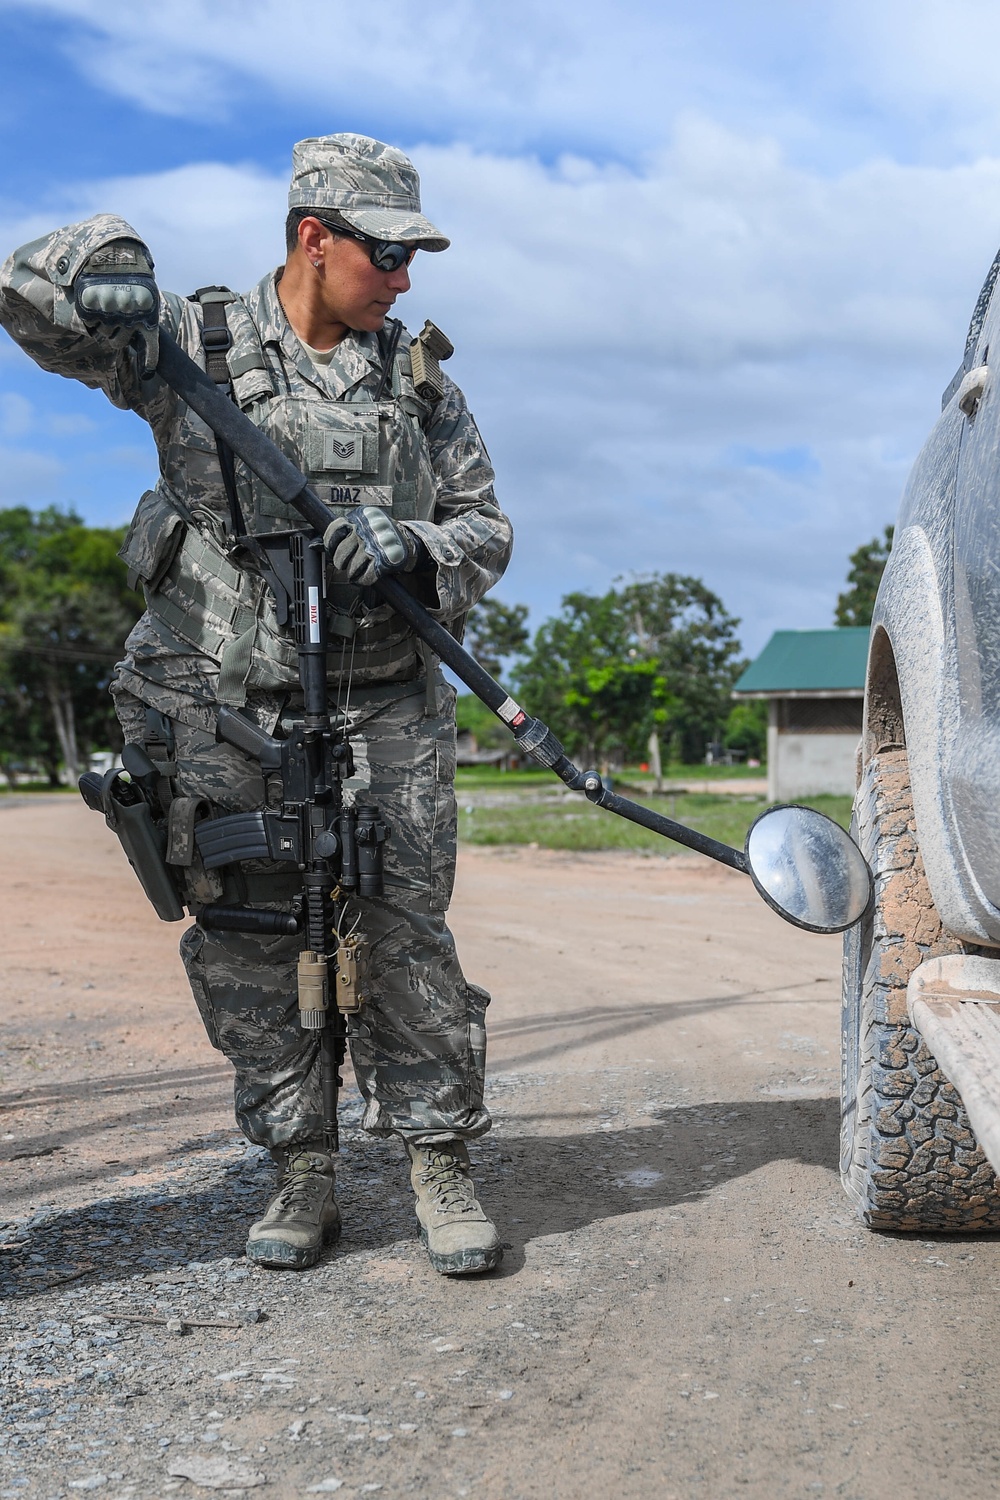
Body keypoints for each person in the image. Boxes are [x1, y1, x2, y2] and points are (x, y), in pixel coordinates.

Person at [0, 133, 512, 1277]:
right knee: (248, 932)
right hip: (217, 700)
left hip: (383, 699)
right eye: (385, 251)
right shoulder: (189, 342)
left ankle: (436, 1157)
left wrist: (418, 543)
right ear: (311, 238)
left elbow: (487, 529)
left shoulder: (421, 382)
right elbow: (26, 299)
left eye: (413, 254)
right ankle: (301, 1167)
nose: (403, 276)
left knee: (403, 932)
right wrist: (104, 259)